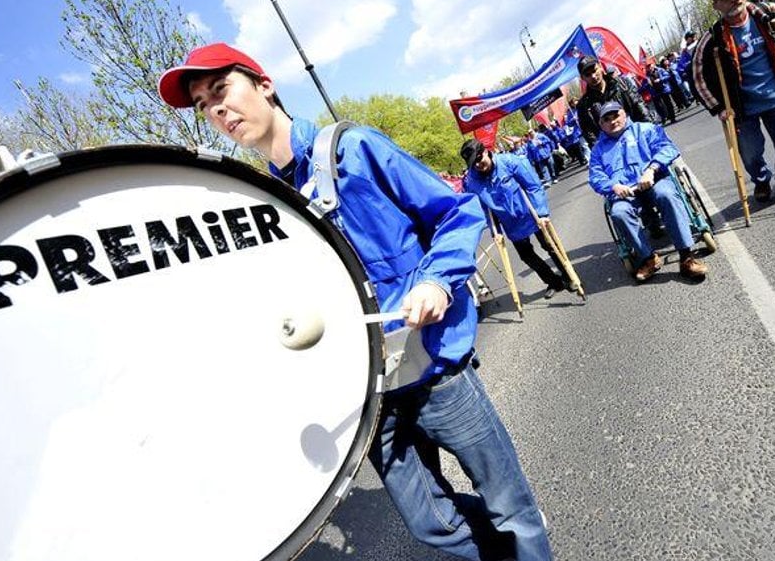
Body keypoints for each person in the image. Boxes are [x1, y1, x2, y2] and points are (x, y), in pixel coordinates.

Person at [158, 42, 553, 561]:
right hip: (370, 393)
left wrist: (435, 281)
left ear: (265, 85)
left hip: (436, 370)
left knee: (509, 507)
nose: (217, 109)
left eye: (221, 90)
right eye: (205, 105)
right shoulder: (264, 210)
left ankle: (525, 541)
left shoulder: (353, 148)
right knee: (431, 525)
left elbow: (459, 212)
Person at [692, 0, 775, 202]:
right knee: (750, 153)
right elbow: (697, 76)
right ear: (716, 5)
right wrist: (718, 108)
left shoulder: (771, 14)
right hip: (741, 108)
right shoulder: (712, 38)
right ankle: (761, 180)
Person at [588, 102, 708, 282]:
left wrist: (652, 169)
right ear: (601, 124)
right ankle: (648, 258)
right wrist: (613, 186)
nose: (613, 121)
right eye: (607, 119)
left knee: (666, 195)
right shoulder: (598, 150)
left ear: (625, 114)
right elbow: (596, 176)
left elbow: (668, 148)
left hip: (654, 180)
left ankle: (686, 257)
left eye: (616, 115)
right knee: (618, 213)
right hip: (625, 192)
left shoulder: (645, 129)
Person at [461, 139, 575, 299]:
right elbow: (485, 209)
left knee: (550, 245)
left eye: (479, 159)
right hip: (511, 222)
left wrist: (542, 214)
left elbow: (533, 186)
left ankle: (569, 276)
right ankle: (554, 282)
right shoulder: (473, 182)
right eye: (473, 163)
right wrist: (496, 232)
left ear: (486, 151)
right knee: (526, 255)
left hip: (531, 213)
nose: (478, 165)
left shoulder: (510, 161)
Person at [576, 56, 653, 145]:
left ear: (600, 67)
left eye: (594, 70)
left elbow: (640, 108)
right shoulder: (584, 105)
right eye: (588, 74)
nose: (593, 76)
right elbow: (589, 133)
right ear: (582, 78)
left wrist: (649, 133)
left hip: (637, 138)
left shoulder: (623, 85)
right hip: (612, 150)